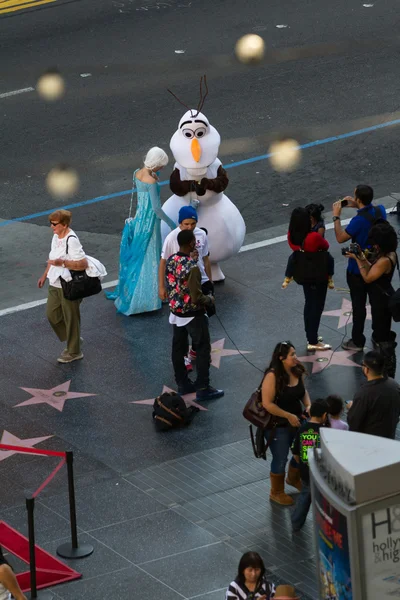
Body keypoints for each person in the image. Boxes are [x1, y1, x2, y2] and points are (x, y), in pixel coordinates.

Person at [106, 147, 176, 315]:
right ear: (156, 163)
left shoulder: (137, 173)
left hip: (139, 220)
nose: (161, 169)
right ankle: (151, 297)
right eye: (161, 165)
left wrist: (153, 175)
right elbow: (157, 209)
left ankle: (135, 293)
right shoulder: (151, 182)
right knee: (152, 256)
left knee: (139, 257)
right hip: (150, 222)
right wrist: (172, 224)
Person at [166, 229, 224, 401]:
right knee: (203, 348)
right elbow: (196, 296)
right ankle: (203, 386)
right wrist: (210, 299)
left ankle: (183, 384)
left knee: (178, 348)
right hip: (193, 313)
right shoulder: (192, 267)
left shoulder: (171, 260)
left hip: (176, 312)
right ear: (192, 243)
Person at [332, 184, 387, 351]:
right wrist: (358, 205)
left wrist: (336, 216)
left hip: (358, 269)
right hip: (377, 265)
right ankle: (379, 336)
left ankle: (357, 340)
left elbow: (341, 238)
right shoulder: (380, 211)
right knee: (377, 304)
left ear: (358, 199)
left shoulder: (357, 221)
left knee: (358, 305)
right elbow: (370, 210)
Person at [159, 206, 213, 372]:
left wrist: (209, 282)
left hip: (200, 281)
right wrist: (161, 286)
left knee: (204, 319)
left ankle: (195, 351)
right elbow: (163, 262)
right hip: (182, 288)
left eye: (192, 223)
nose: (189, 227)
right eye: (186, 224)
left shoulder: (201, 235)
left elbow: (205, 259)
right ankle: (184, 356)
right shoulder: (172, 238)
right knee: (182, 324)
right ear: (180, 223)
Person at [261, 341, 311, 506]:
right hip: (278, 426)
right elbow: (267, 403)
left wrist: (308, 406)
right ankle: (276, 491)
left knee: (303, 452)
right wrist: (287, 415)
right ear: (281, 358)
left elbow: (303, 392)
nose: (295, 357)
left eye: (295, 354)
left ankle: (293, 478)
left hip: (298, 422)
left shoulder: (296, 371)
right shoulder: (272, 376)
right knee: (280, 458)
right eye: (292, 355)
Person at [345, 221, 398, 376]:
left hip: (382, 302)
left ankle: (387, 371)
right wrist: (361, 257)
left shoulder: (384, 260)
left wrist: (357, 259)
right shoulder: (389, 254)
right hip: (380, 298)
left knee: (381, 335)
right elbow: (372, 269)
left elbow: (368, 277)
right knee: (379, 332)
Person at [38, 210, 88, 363]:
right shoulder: (55, 237)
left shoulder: (71, 240)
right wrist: (45, 275)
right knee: (52, 315)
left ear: (64, 225)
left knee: (71, 317)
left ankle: (74, 352)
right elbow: (52, 258)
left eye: (54, 224)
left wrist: (63, 263)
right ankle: (74, 340)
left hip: (69, 285)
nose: (51, 226)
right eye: (51, 223)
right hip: (55, 282)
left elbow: (83, 264)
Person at [284, 208, 332, 350]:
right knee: (317, 306)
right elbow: (326, 245)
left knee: (309, 303)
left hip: (303, 272)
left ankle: (311, 335)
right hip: (317, 273)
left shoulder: (291, 235)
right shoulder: (313, 237)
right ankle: (313, 340)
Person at [291, 399, 328, 531]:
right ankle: (325, 525)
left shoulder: (302, 429)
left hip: (306, 472)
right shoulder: (325, 431)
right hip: (322, 473)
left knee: (305, 498)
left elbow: (295, 453)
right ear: (324, 415)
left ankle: (296, 522)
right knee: (325, 500)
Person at [347, 350, 400, 439]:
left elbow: (353, 423)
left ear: (367, 369)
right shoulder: (394, 385)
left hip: (370, 442)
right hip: (389, 438)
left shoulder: (364, 393)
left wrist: (352, 408)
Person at [282, 203, 334, 290]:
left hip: (317, 249)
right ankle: (288, 276)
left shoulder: (319, 226)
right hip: (309, 249)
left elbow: (319, 241)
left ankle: (330, 277)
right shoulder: (307, 226)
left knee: (330, 259)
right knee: (291, 258)